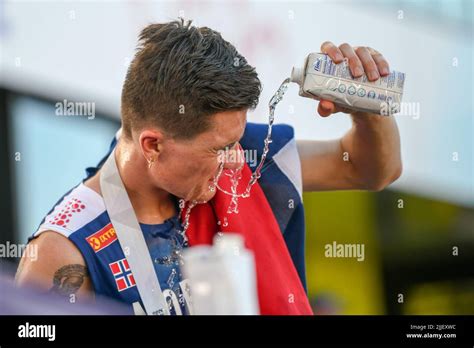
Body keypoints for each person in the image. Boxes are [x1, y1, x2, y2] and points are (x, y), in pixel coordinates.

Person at [15, 19, 402, 315]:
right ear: (153, 145)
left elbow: (370, 170)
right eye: (220, 148)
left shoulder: (245, 157)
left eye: (236, 140)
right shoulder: (63, 253)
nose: (236, 159)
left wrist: (368, 109)